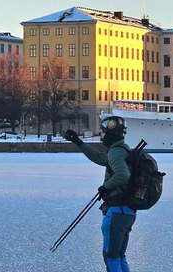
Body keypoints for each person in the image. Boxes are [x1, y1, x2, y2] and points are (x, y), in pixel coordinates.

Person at [64, 116, 136, 272]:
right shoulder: (121, 150)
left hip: (117, 211)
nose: (102, 136)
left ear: (110, 134)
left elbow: (122, 175)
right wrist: (78, 142)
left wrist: (105, 187)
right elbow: (98, 157)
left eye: (103, 133)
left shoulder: (116, 152)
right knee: (119, 256)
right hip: (126, 212)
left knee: (111, 257)